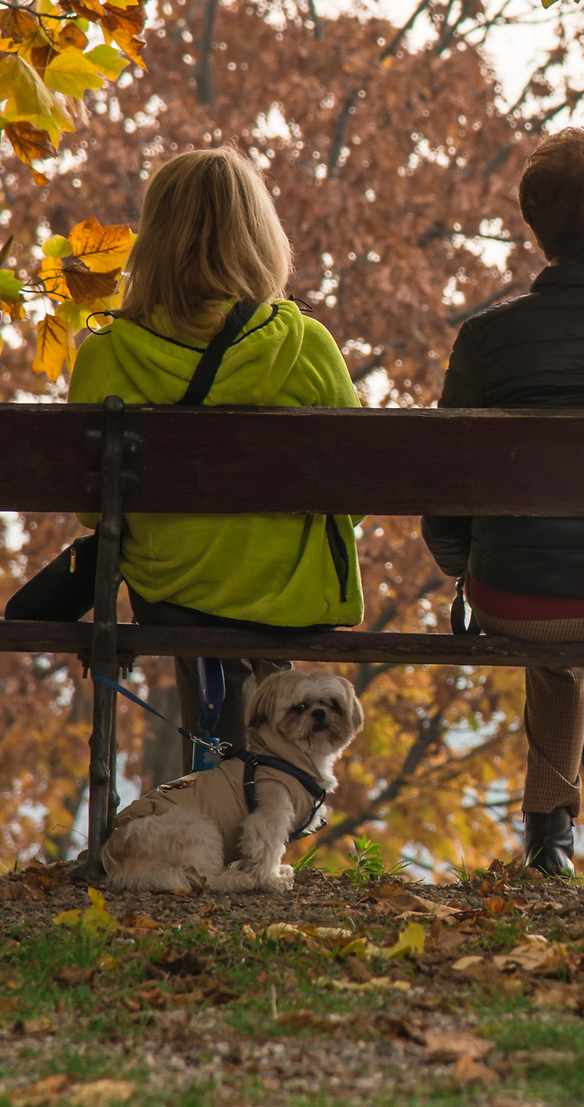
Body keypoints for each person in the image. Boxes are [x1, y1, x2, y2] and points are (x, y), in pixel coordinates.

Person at [421, 127, 584, 877]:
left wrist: (460, 567)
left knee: (552, 600)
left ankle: (551, 835)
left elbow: (443, 476)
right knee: (577, 588)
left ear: (534, 224)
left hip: (515, 592)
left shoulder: (486, 338)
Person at [67, 146, 364, 760]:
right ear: (260, 238)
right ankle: (261, 790)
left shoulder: (106, 353)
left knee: (199, 614)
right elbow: (356, 496)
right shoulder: (303, 345)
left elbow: (95, 513)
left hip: (170, 593)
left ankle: (224, 781)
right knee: (246, 617)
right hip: (287, 595)